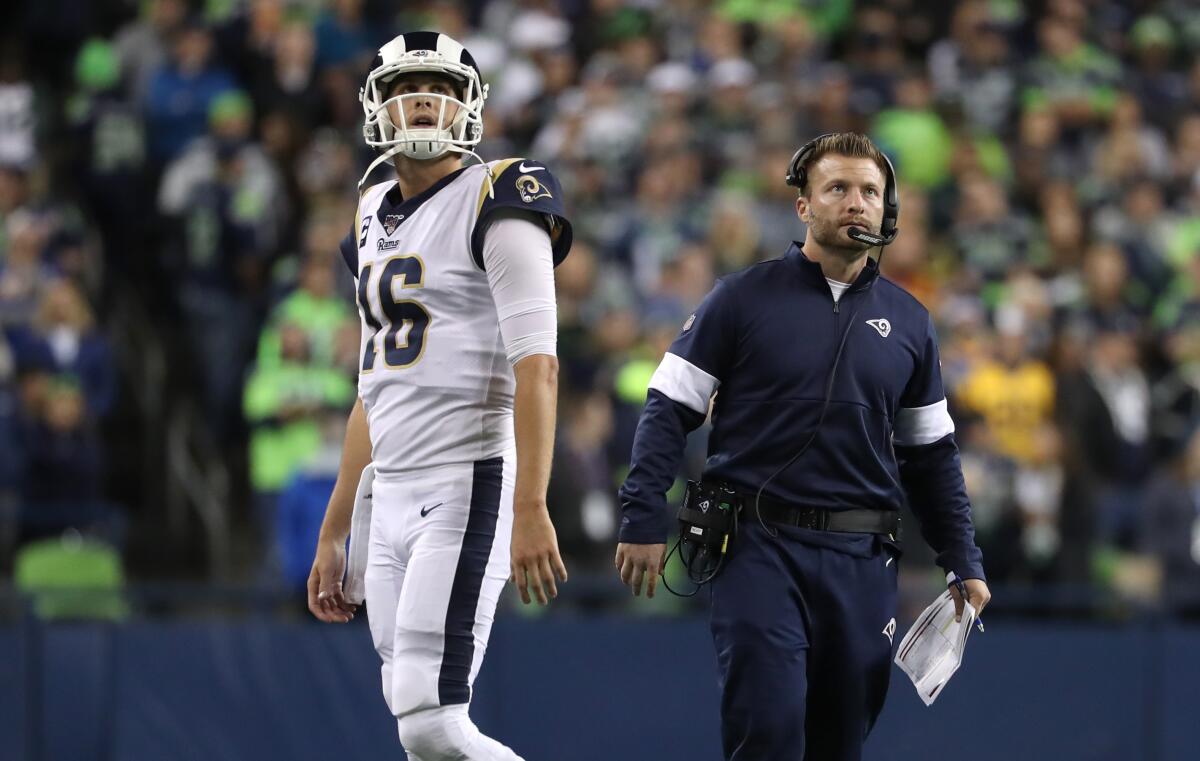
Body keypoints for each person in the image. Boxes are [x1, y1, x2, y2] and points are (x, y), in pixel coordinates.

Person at [615, 132, 991, 761]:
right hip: (758, 546)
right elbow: (668, 408)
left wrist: (964, 558)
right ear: (804, 206)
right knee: (769, 728)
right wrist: (641, 513)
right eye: (838, 188)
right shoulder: (740, 298)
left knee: (839, 742)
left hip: (862, 557)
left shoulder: (911, 322)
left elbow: (932, 456)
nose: (856, 203)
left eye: (870, 191)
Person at [306, 32, 572, 761]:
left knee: (433, 720)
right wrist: (336, 526)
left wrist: (530, 504)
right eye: (402, 87)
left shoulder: (500, 194)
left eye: (443, 88)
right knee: (413, 722)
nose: (423, 99)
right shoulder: (369, 210)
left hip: (468, 476)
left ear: (471, 105)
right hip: (388, 489)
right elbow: (371, 386)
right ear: (375, 106)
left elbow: (538, 364)